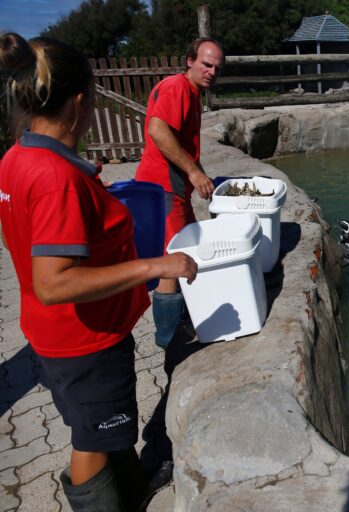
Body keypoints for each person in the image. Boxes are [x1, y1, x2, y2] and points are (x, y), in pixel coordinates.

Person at [0, 33, 198, 511]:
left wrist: (83, 180)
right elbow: (54, 283)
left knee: (103, 426)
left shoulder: (18, 159)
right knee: (91, 439)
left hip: (52, 337)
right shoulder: (57, 180)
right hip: (85, 342)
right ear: (80, 103)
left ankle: (131, 490)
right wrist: (158, 264)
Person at [135, 37, 224, 349]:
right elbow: (158, 130)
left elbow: (182, 141)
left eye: (216, 67)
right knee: (174, 259)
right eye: (206, 64)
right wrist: (194, 171)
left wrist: (199, 172)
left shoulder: (191, 93)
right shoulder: (178, 88)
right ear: (190, 61)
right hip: (164, 186)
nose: (211, 71)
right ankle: (170, 339)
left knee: (183, 250)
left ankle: (182, 321)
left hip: (171, 187)